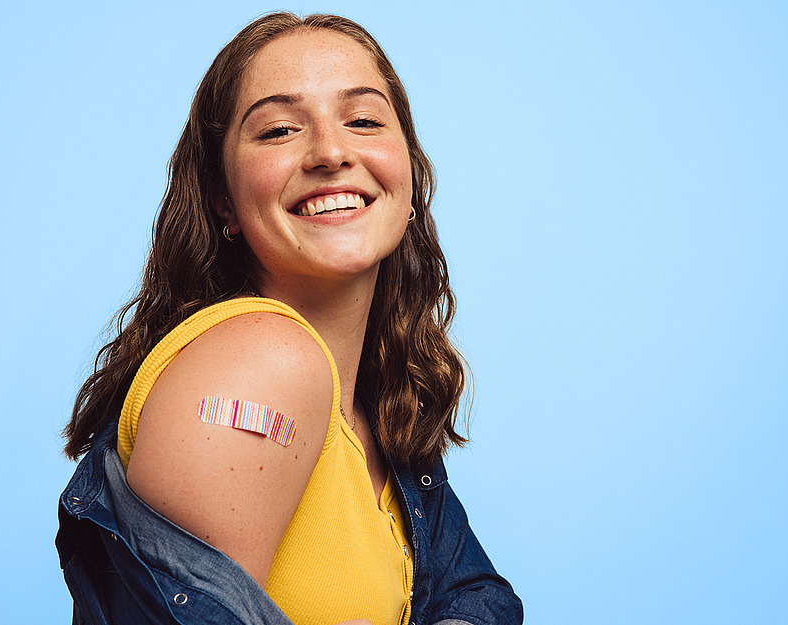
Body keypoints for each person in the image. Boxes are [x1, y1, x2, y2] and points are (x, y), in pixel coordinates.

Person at [57, 12, 523, 625]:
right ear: (223, 199)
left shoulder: (375, 405)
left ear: (409, 172)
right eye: (278, 130)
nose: (331, 152)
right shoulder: (265, 359)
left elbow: (478, 596)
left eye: (363, 120)